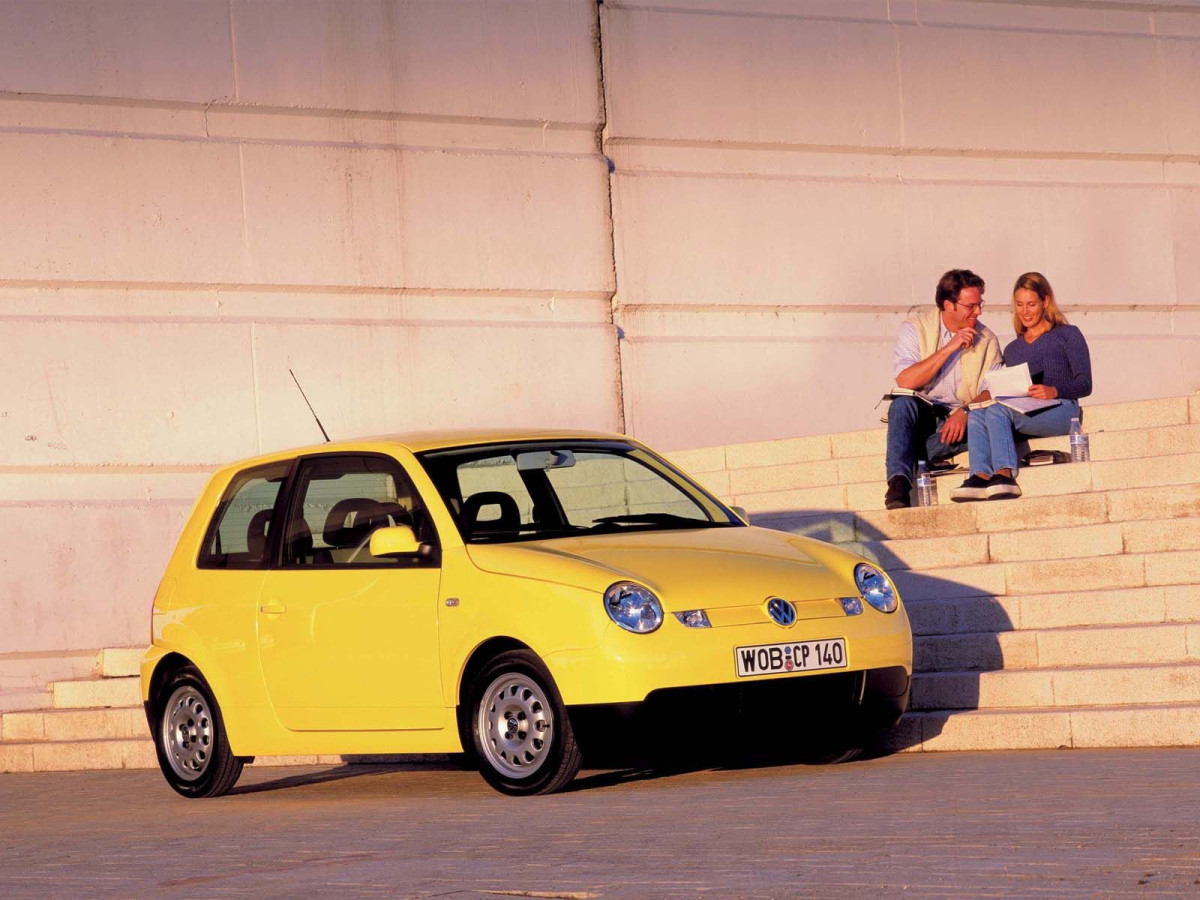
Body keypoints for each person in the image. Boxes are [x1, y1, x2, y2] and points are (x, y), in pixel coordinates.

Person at [950, 272, 1092, 501]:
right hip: (1025, 410)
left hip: (1063, 409)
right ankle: (980, 475)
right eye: (1019, 305)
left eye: (1031, 304)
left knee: (996, 410)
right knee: (978, 414)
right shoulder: (1013, 349)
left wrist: (1054, 390)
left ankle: (1005, 474)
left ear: (1045, 302)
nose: (1025, 311)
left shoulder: (1068, 334)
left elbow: (1085, 384)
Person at [885, 269, 1003, 509]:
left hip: (961, 417)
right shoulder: (915, 328)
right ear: (948, 305)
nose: (978, 312)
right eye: (971, 306)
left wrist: (965, 412)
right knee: (901, 403)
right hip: (923, 414)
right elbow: (905, 381)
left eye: (980, 304)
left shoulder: (987, 339)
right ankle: (898, 484)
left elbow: (994, 389)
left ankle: (915, 458)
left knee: (984, 421)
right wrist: (950, 347)